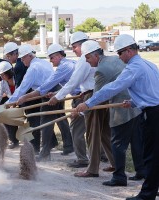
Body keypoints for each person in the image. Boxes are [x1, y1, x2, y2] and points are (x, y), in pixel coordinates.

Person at [75, 34, 159, 200]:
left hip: (152, 114)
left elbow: (112, 88)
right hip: (152, 110)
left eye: (120, 53)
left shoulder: (134, 68)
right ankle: (153, 187)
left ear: (129, 50)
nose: (119, 57)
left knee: (151, 155)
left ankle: (147, 194)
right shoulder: (149, 65)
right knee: (154, 154)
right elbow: (150, 91)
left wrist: (88, 103)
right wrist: (134, 101)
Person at [80, 40, 145, 186]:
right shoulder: (114, 59)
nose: (86, 61)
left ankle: (119, 177)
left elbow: (98, 96)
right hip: (135, 104)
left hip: (123, 108)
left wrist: (81, 110)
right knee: (136, 142)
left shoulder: (101, 70)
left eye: (88, 57)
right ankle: (141, 172)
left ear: (95, 55)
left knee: (117, 143)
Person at [17, 43, 75, 156]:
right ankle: (69, 146)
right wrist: (56, 93)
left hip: (49, 91)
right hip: (55, 91)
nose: (50, 60)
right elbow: (67, 85)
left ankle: (45, 153)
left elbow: (45, 86)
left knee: (46, 122)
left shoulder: (61, 66)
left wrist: (24, 97)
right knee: (61, 118)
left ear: (59, 55)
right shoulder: (47, 63)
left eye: (52, 57)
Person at [47, 32, 93, 168]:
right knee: (93, 128)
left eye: (74, 46)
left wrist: (57, 97)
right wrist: (56, 93)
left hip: (85, 98)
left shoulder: (83, 60)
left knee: (77, 129)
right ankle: (100, 155)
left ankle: (82, 159)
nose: (73, 50)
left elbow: (72, 83)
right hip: (84, 96)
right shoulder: (82, 60)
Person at [6, 44, 56, 160]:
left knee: (46, 123)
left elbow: (22, 88)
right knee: (47, 122)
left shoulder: (33, 68)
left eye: (23, 58)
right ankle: (52, 147)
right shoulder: (42, 63)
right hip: (50, 92)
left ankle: (45, 154)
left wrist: (9, 102)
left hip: (49, 94)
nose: (22, 60)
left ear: (29, 56)